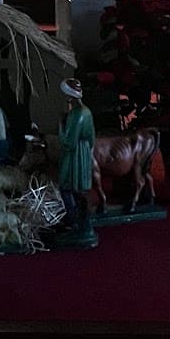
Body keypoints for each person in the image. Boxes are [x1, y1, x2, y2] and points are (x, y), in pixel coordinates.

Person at [56, 78, 97, 248]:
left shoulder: (76, 114)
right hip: (84, 152)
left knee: (67, 188)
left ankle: (76, 223)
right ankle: (79, 223)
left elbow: (69, 142)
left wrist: (61, 127)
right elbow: (91, 136)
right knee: (78, 191)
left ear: (69, 96)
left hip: (75, 157)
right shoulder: (86, 111)